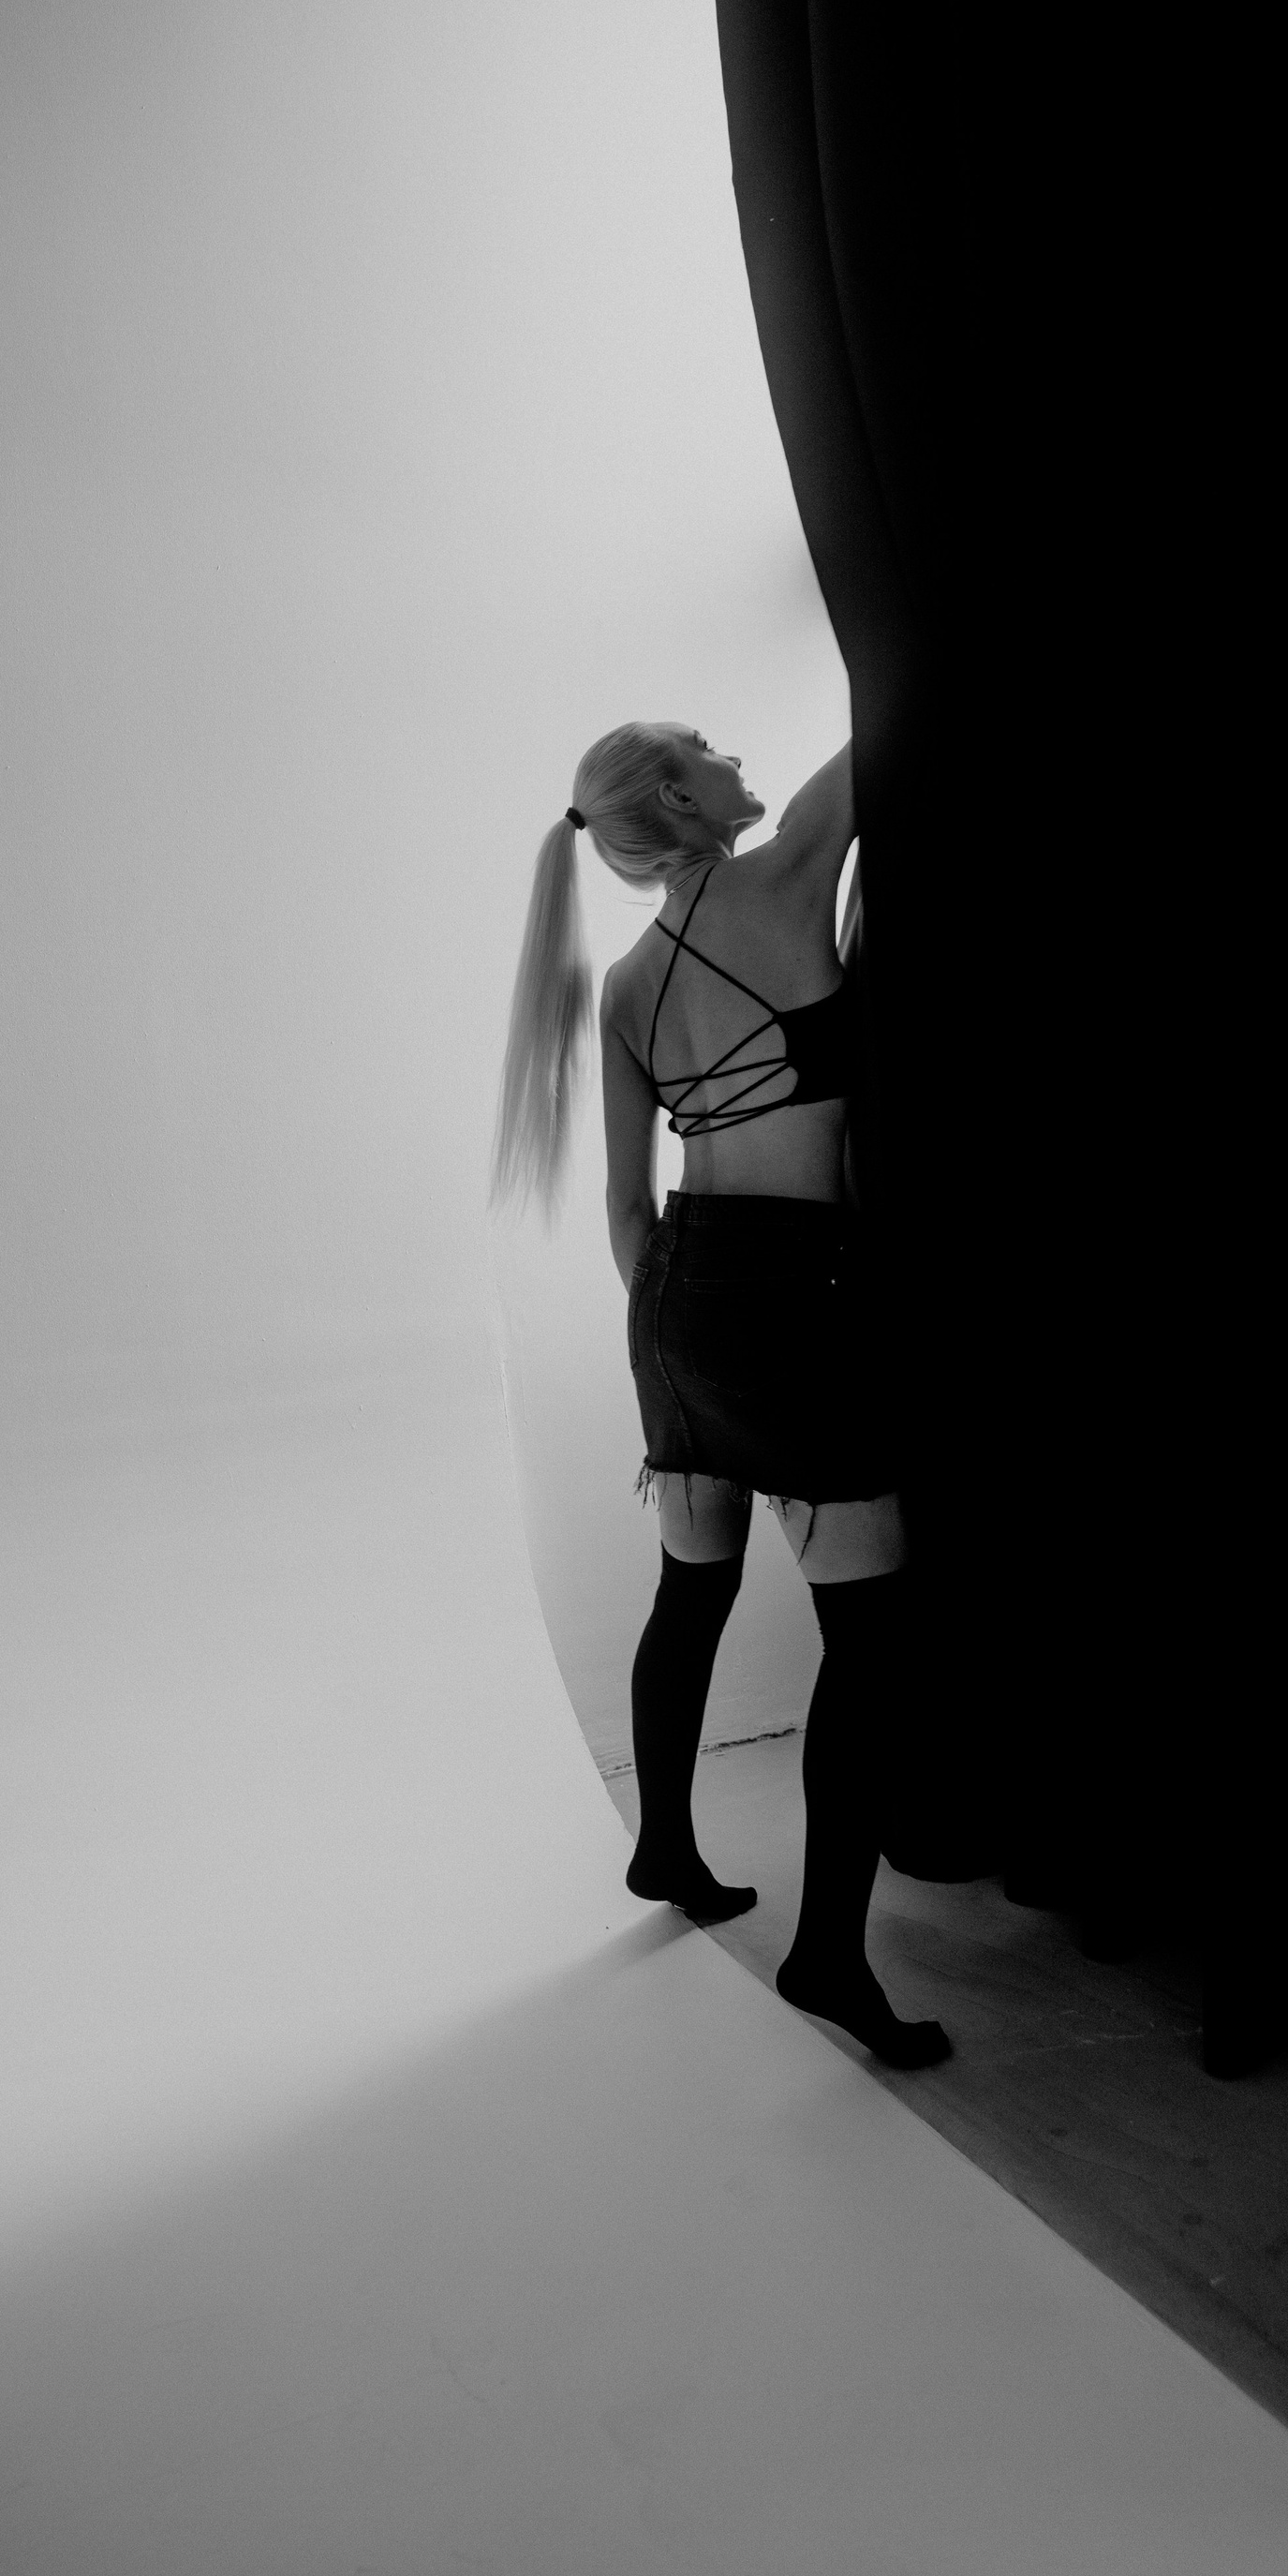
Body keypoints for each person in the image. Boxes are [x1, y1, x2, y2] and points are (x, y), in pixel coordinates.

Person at [493, 721, 950, 2070]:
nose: (732, 751)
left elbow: (627, 1211)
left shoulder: (626, 984)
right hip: (797, 1290)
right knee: (869, 1636)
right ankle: (827, 1956)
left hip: (675, 1295)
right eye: (704, 746)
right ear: (679, 799)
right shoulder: (789, 870)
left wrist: (677, 1344)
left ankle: (666, 1849)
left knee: (691, 1590)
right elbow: (891, 707)